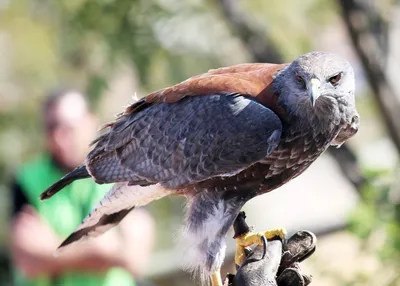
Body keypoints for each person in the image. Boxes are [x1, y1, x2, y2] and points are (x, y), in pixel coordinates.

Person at [10, 87, 155, 286]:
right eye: (51, 127)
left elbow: (134, 256)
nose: (58, 138)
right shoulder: (27, 180)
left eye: (68, 127)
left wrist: (51, 248)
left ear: (92, 121)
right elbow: (28, 261)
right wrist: (101, 250)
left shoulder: (128, 169)